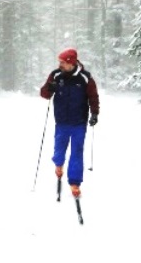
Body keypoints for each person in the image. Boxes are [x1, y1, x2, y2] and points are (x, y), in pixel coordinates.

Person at [40, 48, 100, 198]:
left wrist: (94, 113)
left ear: (71, 63)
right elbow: (44, 94)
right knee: (59, 149)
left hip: (79, 122)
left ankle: (74, 182)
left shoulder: (85, 78)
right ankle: (58, 165)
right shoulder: (56, 75)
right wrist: (49, 87)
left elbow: (93, 97)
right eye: (59, 62)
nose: (60, 64)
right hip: (61, 121)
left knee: (77, 152)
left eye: (62, 62)